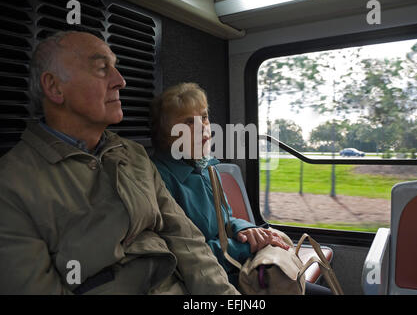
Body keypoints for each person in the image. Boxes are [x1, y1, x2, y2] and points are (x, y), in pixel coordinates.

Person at [0, 31, 240, 295]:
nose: (120, 81)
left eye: (115, 68)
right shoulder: (11, 184)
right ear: (55, 87)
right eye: (102, 69)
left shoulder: (134, 155)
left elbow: (187, 240)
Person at [150, 83, 332, 295]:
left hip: (236, 268)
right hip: (208, 282)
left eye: (204, 117)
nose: (203, 127)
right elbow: (182, 256)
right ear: (165, 133)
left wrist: (246, 230)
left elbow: (226, 219)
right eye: (189, 122)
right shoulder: (159, 179)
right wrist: (245, 247)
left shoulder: (207, 167)